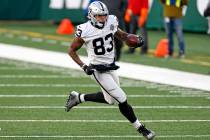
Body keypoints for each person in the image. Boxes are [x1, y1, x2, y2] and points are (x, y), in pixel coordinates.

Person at [65, 1, 155, 139]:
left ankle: (78, 97)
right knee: (122, 99)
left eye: (104, 15)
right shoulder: (85, 30)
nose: (103, 18)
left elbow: (121, 35)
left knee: (110, 100)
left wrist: (132, 39)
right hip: (97, 70)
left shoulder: (111, 21)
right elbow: (71, 51)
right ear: (92, 15)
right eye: (99, 16)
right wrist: (84, 66)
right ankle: (142, 129)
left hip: (111, 66)